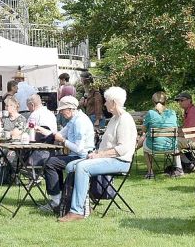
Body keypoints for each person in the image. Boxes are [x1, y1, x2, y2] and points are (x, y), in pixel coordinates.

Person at [58, 86, 137, 222]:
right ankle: (81, 204)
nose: (104, 103)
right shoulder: (114, 119)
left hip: (121, 161)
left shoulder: (124, 119)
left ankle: (77, 211)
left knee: (82, 167)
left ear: (113, 102)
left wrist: (99, 156)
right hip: (110, 158)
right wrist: (95, 153)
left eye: (106, 101)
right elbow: (107, 145)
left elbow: (123, 149)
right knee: (71, 166)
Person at [40, 95, 94, 213]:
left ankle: (56, 201)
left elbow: (79, 149)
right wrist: (41, 130)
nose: (61, 113)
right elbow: (59, 134)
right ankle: (58, 198)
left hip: (84, 157)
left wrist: (63, 141)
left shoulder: (79, 122)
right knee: (52, 161)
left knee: (51, 163)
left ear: (70, 109)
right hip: (77, 155)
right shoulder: (73, 120)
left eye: (62, 110)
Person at [138, 92, 182, 179]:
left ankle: (150, 172)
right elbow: (176, 127)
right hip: (171, 146)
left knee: (146, 146)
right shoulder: (172, 113)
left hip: (153, 147)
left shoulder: (150, 113)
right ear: (166, 101)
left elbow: (144, 130)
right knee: (174, 141)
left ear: (153, 102)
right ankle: (179, 168)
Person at [0, 97, 27, 185]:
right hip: (4, 145)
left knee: (10, 156)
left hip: (15, 147)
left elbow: (16, 133)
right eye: (5, 106)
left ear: (14, 107)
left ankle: (3, 178)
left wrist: (4, 133)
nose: (5, 108)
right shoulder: (5, 118)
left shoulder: (21, 119)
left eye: (7, 106)